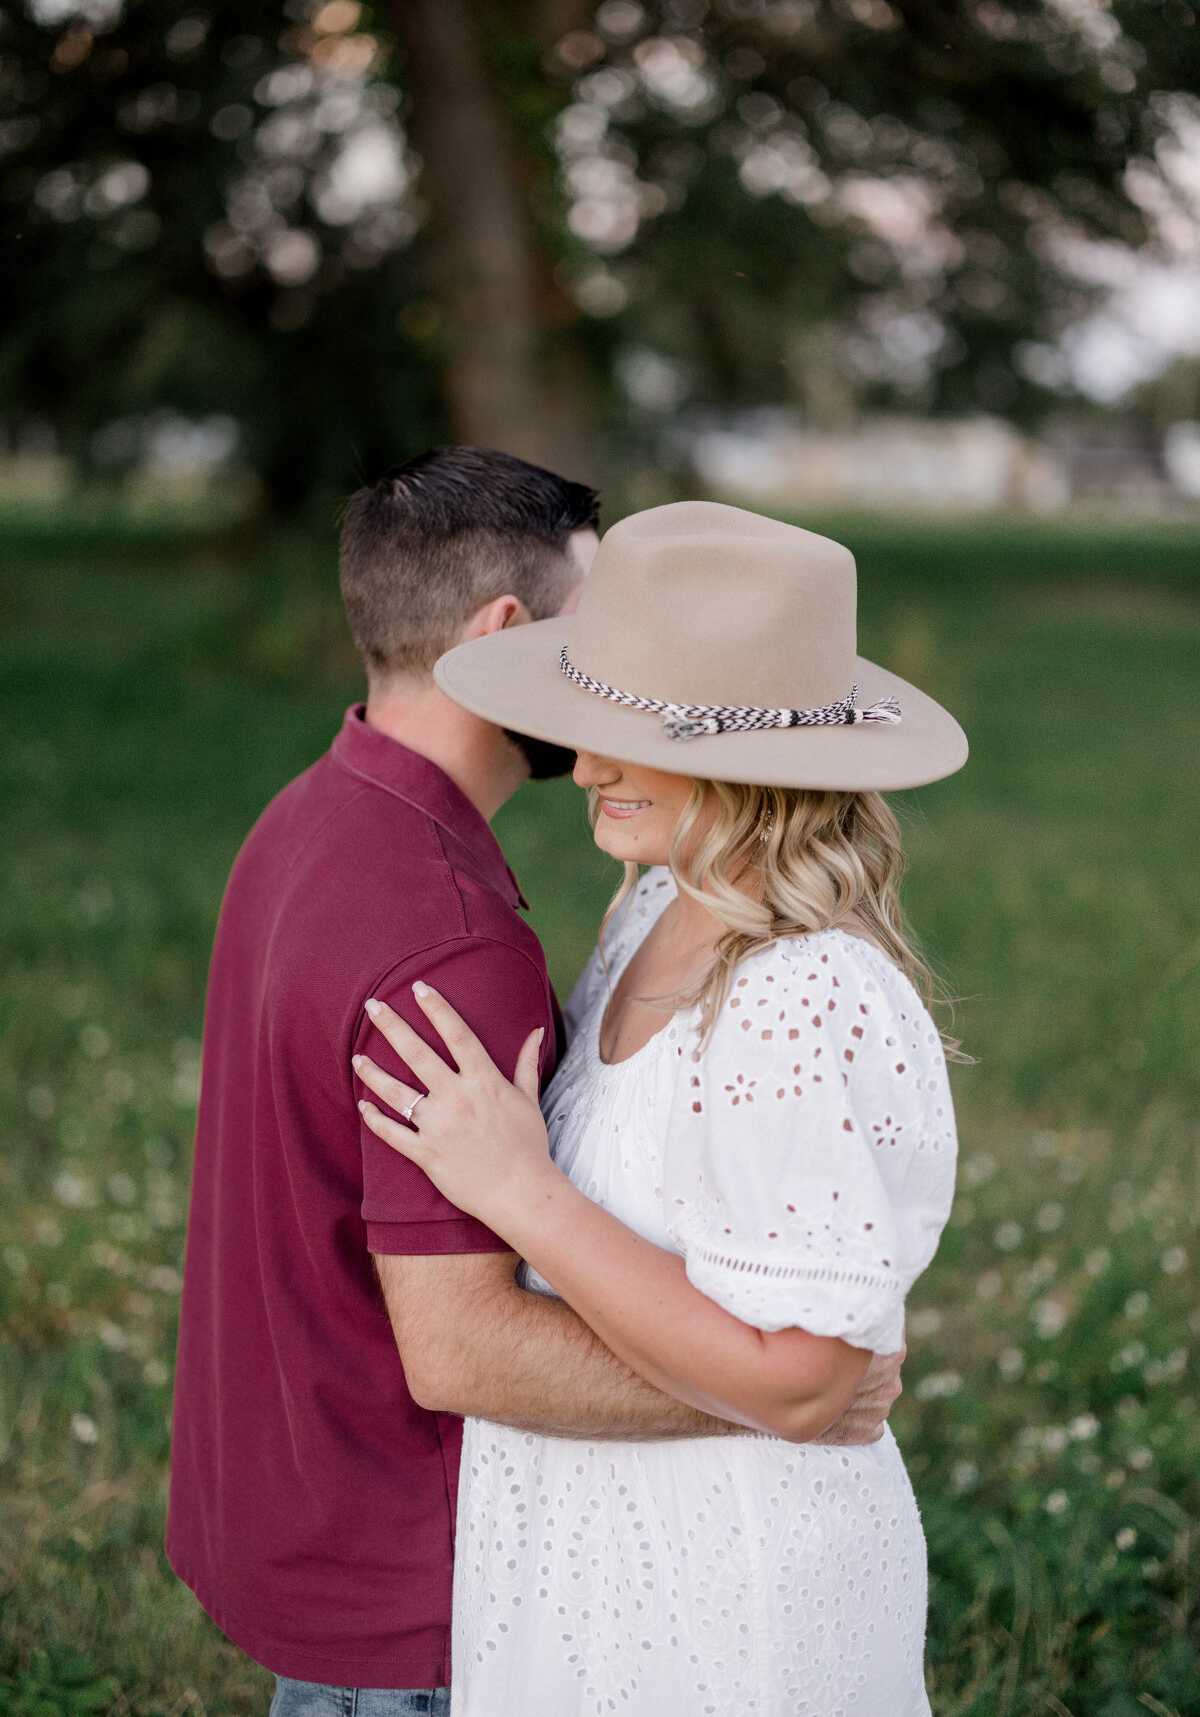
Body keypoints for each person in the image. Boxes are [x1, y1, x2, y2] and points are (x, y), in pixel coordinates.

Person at [165, 459, 902, 1716]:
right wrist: (791, 1392)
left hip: (306, 1515)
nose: (621, 677)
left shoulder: (309, 815)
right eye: (606, 628)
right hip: (421, 1588)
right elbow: (462, 1346)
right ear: (507, 635)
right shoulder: (447, 930)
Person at [355, 501, 968, 1716]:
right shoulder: (649, 908)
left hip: (731, 1595)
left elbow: (800, 1381)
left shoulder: (800, 995)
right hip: (596, 1555)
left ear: (758, 760)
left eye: (630, 732)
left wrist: (519, 1191)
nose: (583, 766)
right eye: (588, 725)